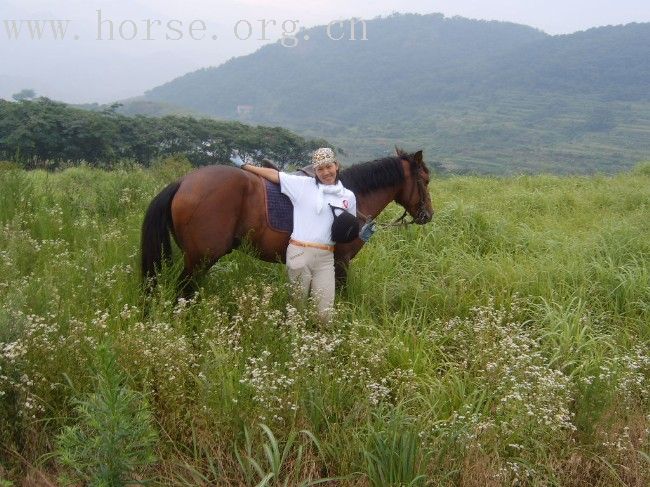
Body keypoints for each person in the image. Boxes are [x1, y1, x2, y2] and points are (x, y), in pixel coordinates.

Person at [229, 147, 375, 321]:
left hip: (326, 258)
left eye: (328, 167)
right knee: (296, 310)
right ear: (315, 171)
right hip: (299, 253)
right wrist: (245, 166)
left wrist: (361, 233)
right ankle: (293, 339)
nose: (325, 172)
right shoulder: (302, 186)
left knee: (324, 314)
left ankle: (319, 341)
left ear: (336, 166)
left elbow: (345, 227)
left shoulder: (348, 196)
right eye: (320, 169)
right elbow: (274, 175)